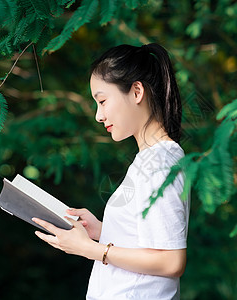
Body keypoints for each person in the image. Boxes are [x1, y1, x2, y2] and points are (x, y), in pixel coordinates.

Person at [32, 43, 190, 300]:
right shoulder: (150, 159)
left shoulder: (162, 161)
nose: (98, 115)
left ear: (136, 91)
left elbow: (171, 262)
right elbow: (147, 241)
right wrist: (102, 231)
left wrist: (90, 249)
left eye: (103, 101)